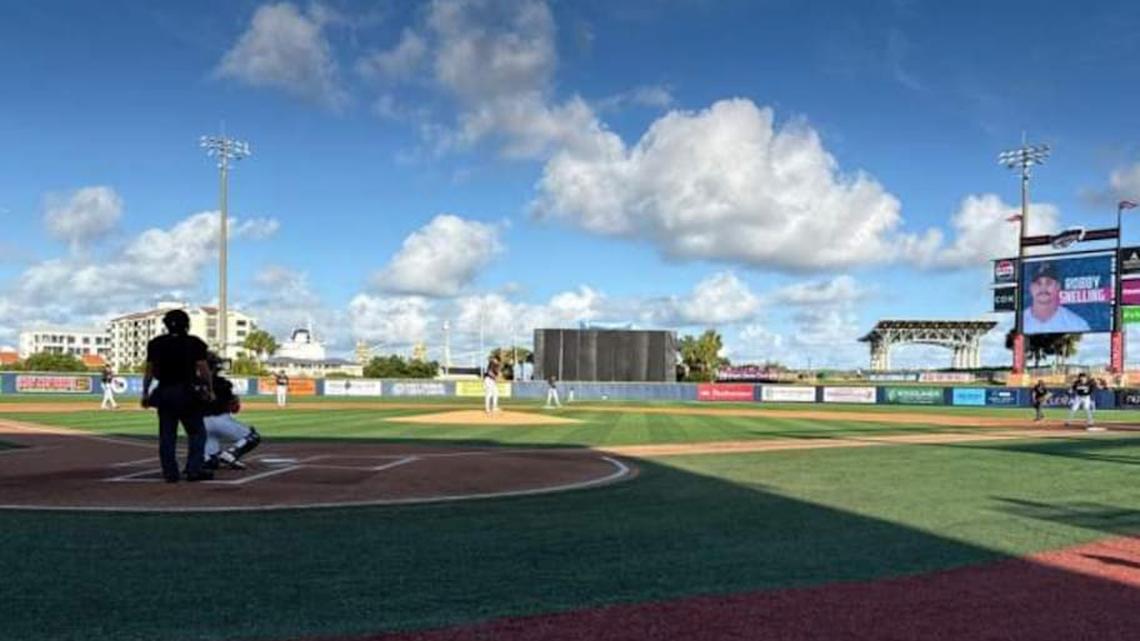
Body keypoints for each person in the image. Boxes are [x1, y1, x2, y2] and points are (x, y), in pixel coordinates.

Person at [140, 309, 214, 483]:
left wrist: (145, 392)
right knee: (197, 433)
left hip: (164, 392)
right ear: (186, 324)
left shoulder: (155, 343)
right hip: (187, 392)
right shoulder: (195, 343)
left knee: (167, 436)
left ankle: (170, 473)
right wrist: (210, 389)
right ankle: (194, 469)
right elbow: (203, 369)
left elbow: (149, 371)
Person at [202, 353, 261, 471]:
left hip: (200, 423)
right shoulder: (223, 383)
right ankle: (231, 454)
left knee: (211, 461)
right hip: (220, 419)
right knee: (253, 436)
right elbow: (234, 408)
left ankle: (208, 458)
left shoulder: (193, 382)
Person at [1023, 262, 1091, 334]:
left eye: (1048, 283)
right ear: (1031, 287)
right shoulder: (1018, 322)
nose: (1043, 288)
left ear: (1058, 286)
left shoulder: (1077, 325)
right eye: (1038, 283)